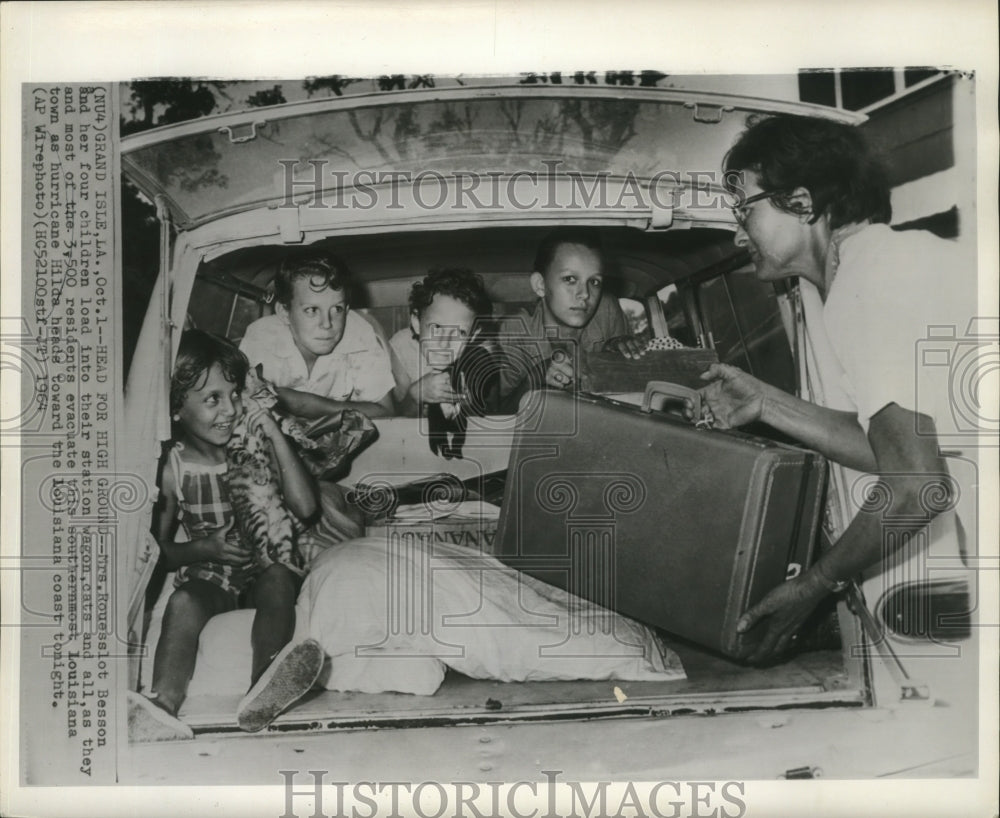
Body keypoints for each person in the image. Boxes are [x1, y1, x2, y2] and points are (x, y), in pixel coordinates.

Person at [699, 114, 973, 664]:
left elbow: (917, 487)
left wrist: (814, 585)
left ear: (801, 202)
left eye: (744, 210)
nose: (736, 232)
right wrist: (766, 402)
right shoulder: (874, 266)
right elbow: (893, 452)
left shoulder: (872, 275)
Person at [128, 330, 324, 740]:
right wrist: (204, 547)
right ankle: (162, 703)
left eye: (234, 395)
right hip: (212, 574)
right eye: (212, 399)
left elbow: (306, 509)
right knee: (183, 601)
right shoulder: (172, 468)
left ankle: (263, 689)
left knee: (277, 580)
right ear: (176, 409)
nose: (230, 410)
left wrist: (273, 433)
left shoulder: (255, 444)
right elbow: (155, 553)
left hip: (266, 563)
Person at [496, 227, 648, 410]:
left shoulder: (607, 309)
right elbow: (498, 412)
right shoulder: (513, 331)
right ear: (540, 285)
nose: (584, 294)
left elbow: (629, 399)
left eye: (594, 282)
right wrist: (535, 378)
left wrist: (616, 354)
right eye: (569, 279)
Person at [239, 251, 395, 419]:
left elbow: (385, 411)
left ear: (347, 310)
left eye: (337, 309)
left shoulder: (360, 333)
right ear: (284, 312)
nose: (327, 324)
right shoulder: (261, 338)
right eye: (312, 310)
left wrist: (308, 404)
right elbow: (245, 411)